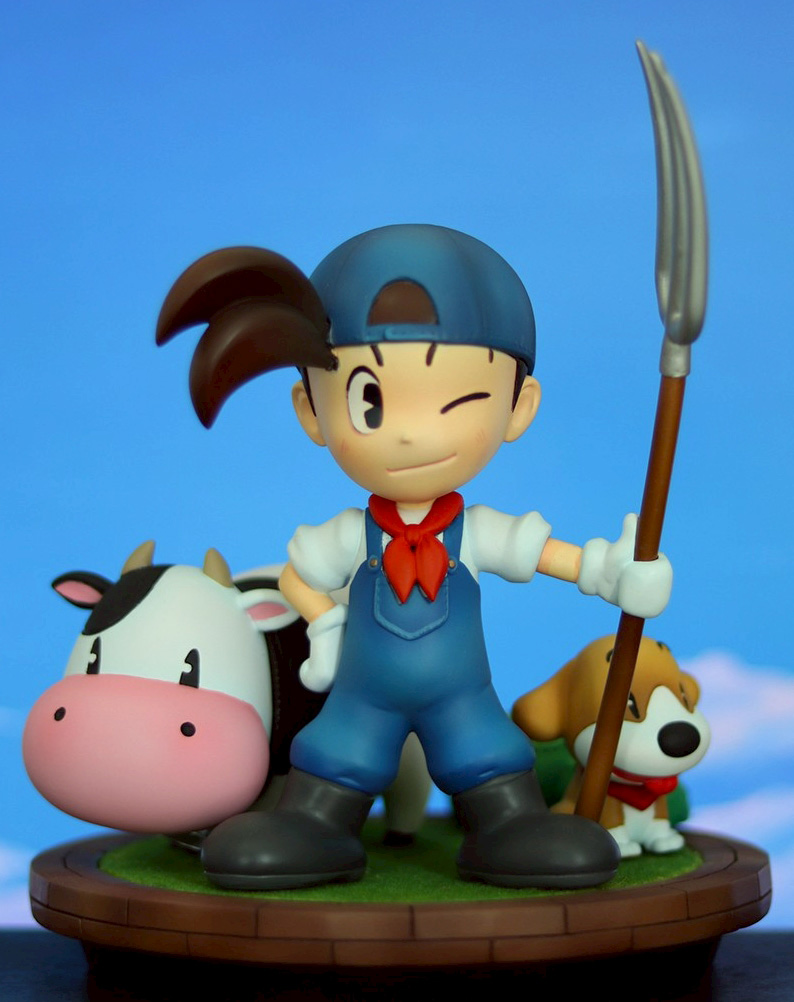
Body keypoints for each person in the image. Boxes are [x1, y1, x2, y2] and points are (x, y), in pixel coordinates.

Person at [157, 223, 671, 890]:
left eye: (454, 404)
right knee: (336, 756)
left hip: (463, 699)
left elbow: (551, 557)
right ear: (310, 411)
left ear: (518, 408)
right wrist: (325, 622)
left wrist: (613, 574)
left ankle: (507, 826)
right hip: (360, 699)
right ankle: (315, 827)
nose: (408, 434)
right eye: (368, 402)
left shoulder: (478, 533)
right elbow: (297, 577)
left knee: (486, 754)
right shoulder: (350, 535)